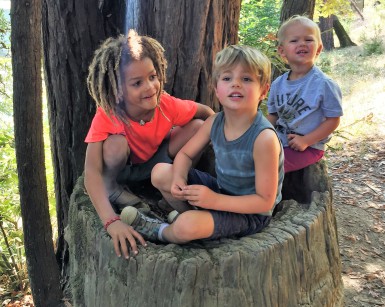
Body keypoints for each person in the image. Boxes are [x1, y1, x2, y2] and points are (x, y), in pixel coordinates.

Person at [120, 45, 284, 244]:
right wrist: (179, 178)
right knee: (161, 173)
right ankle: (190, 217)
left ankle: (161, 230)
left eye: (246, 79)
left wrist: (214, 200)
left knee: (186, 227)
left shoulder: (263, 138)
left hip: (249, 213)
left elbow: (264, 201)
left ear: (264, 90)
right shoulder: (215, 122)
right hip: (220, 192)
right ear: (216, 89)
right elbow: (186, 155)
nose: (236, 84)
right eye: (227, 78)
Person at [84, 30, 215, 258]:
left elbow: (208, 114)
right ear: (117, 90)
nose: (150, 87)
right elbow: (91, 172)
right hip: (123, 170)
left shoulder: (165, 103)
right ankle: (112, 190)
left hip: (157, 164)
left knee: (196, 127)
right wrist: (111, 221)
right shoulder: (108, 113)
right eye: (137, 83)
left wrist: (224, 140)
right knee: (114, 144)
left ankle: (169, 193)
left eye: (152, 77)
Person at [267, 15, 343, 173]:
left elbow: (333, 120)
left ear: (319, 48)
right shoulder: (277, 84)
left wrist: (307, 140)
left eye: (308, 40)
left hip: (309, 147)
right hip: (279, 141)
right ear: (282, 50)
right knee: (248, 156)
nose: (302, 43)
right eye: (294, 40)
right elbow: (273, 116)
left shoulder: (324, 84)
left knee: (269, 166)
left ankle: (266, 197)